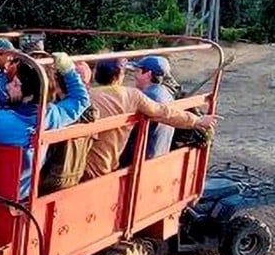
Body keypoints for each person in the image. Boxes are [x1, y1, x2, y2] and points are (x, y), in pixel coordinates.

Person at [84, 58, 220, 179]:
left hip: (134, 159)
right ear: (119, 75)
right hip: (149, 155)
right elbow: (163, 112)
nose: (134, 76)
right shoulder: (143, 94)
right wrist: (196, 120)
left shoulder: (86, 97)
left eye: (137, 72)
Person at [0, 52, 91, 199]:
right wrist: (68, 70)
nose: (8, 86)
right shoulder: (51, 116)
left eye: (15, 84)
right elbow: (80, 100)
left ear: (30, 94)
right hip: (26, 194)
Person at [39, 61, 100, 195]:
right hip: (74, 177)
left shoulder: (58, 115)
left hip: (52, 179)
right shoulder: (91, 113)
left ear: (58, 86)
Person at [120, 55, 178, 165]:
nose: (135, 76)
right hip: (159, 153)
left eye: (137, 71)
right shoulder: (166, 94)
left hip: (140, 159)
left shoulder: (147, 98)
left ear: (148, 74)